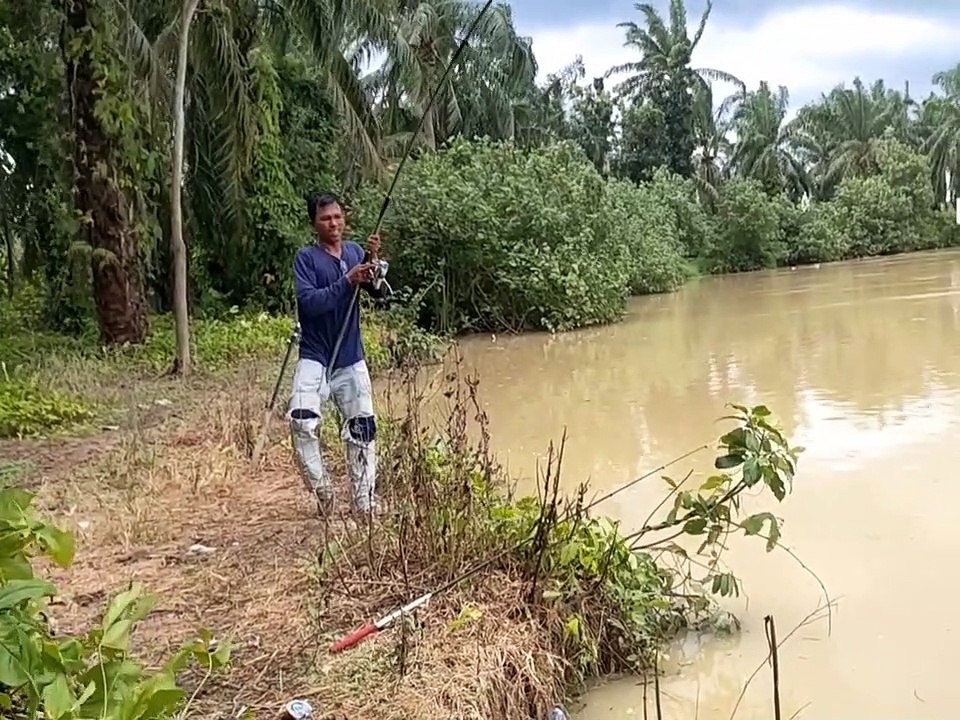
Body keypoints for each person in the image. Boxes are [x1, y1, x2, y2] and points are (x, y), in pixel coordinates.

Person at [287, 191, 387, 518]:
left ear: (345, 218)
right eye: (325, 218)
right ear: (314, 223)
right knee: (302, 423)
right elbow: (310, 304)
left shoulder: (356, 251)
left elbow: (379, 294)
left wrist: (372, 264)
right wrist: (347, 280)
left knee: (363, 428)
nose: (333, 223)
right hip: (315, 355)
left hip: (350, 357)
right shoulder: (307, 259)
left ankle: (364, 503)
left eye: (337, 217)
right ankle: (324, 493)